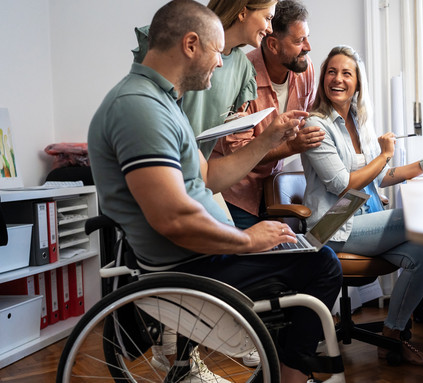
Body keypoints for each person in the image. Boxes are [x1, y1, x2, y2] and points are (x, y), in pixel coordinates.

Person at [88, 2, 342, 382]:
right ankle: (290, 376)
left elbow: (207, 178)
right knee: (321, 265)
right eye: (216, 51)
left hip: (201, 255)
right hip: (189, 266)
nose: (222, 64)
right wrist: (246, 240)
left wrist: (269, 138)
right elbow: (173, 218)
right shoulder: (139, 108)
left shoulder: (164, 103)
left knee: (307, 251)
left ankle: (285, 372)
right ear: (191, 45)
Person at [301, 45, 423, 366]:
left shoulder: (359, 122)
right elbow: (343, 183)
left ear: (357, 83)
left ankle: (391, 337)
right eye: (331, 72)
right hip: (332, 225)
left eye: (346, 73)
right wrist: (384, 154)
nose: (337, 79)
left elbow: (383, 176)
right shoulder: (315, 125)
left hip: (364, 220)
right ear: (323, 79)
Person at [212, 0, 324, 229]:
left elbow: (310, 119)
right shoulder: (242, 74)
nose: (308, 47)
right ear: (272, 45)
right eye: (299, 41)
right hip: (236, 194)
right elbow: (239, 152)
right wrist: (291, 147)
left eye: (307, 37)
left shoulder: (305, 70)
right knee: (250, 261)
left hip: (274, 188)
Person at [133, 0, 278, 158]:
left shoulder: (243, 69)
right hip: (154, 161)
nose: (270, 29)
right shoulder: (174, 41)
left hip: (194, 173)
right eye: (268, 18)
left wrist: (231, 124)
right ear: (243, 13)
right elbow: (143, 107)